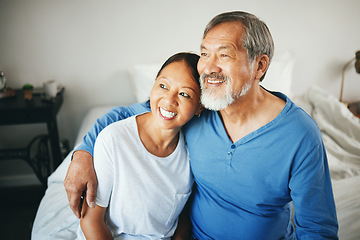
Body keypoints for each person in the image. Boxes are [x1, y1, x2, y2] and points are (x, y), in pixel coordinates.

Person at [65, 11, 338, 239]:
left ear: (260, 66)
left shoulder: (300, 134)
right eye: (205, 54)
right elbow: (129, 115)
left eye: (224, 55)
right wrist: (82, 153)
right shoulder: (198, 108)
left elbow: (317, 228)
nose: (208, 67)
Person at [77, 52, 203, 239]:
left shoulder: (193, 151)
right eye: (163, 86)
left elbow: (182, 216)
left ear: (200, 107)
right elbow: (91, 220)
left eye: (184, 94)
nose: (169, 101)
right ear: (152, 86)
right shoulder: (114, 139)